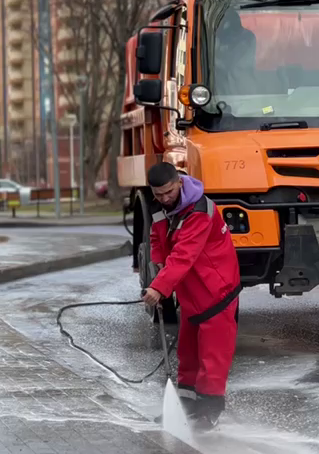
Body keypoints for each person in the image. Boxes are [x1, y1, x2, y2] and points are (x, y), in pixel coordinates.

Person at [141, 162, 241, 430]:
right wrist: (160, 264)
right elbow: (157, 240)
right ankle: (185, 406)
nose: (164, 199)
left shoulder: (200, 212)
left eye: (169, 192)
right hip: (191, 292)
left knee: (213, 355)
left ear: (180, 183)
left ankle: (209, 411)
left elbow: (185, 255)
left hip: (216, 289)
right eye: (158, 195)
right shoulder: (161, 207)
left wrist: (159, 287)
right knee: (188, 352)